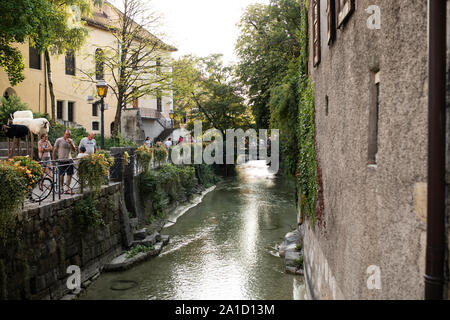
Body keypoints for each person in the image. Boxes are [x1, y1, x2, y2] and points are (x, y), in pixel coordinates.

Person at [53, 130, 76, 195]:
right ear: (64, 134)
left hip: (69, 160)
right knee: (61, 175)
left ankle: (67, 189)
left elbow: (74, 150)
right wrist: (53, 159)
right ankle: (61, 188)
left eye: (69, 135)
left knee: (69, 175)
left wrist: (70, 143)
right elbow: (54, 149)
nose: (67, 136)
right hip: (61, 160)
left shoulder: (71, 140)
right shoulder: (59, 140)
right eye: (66, 134)